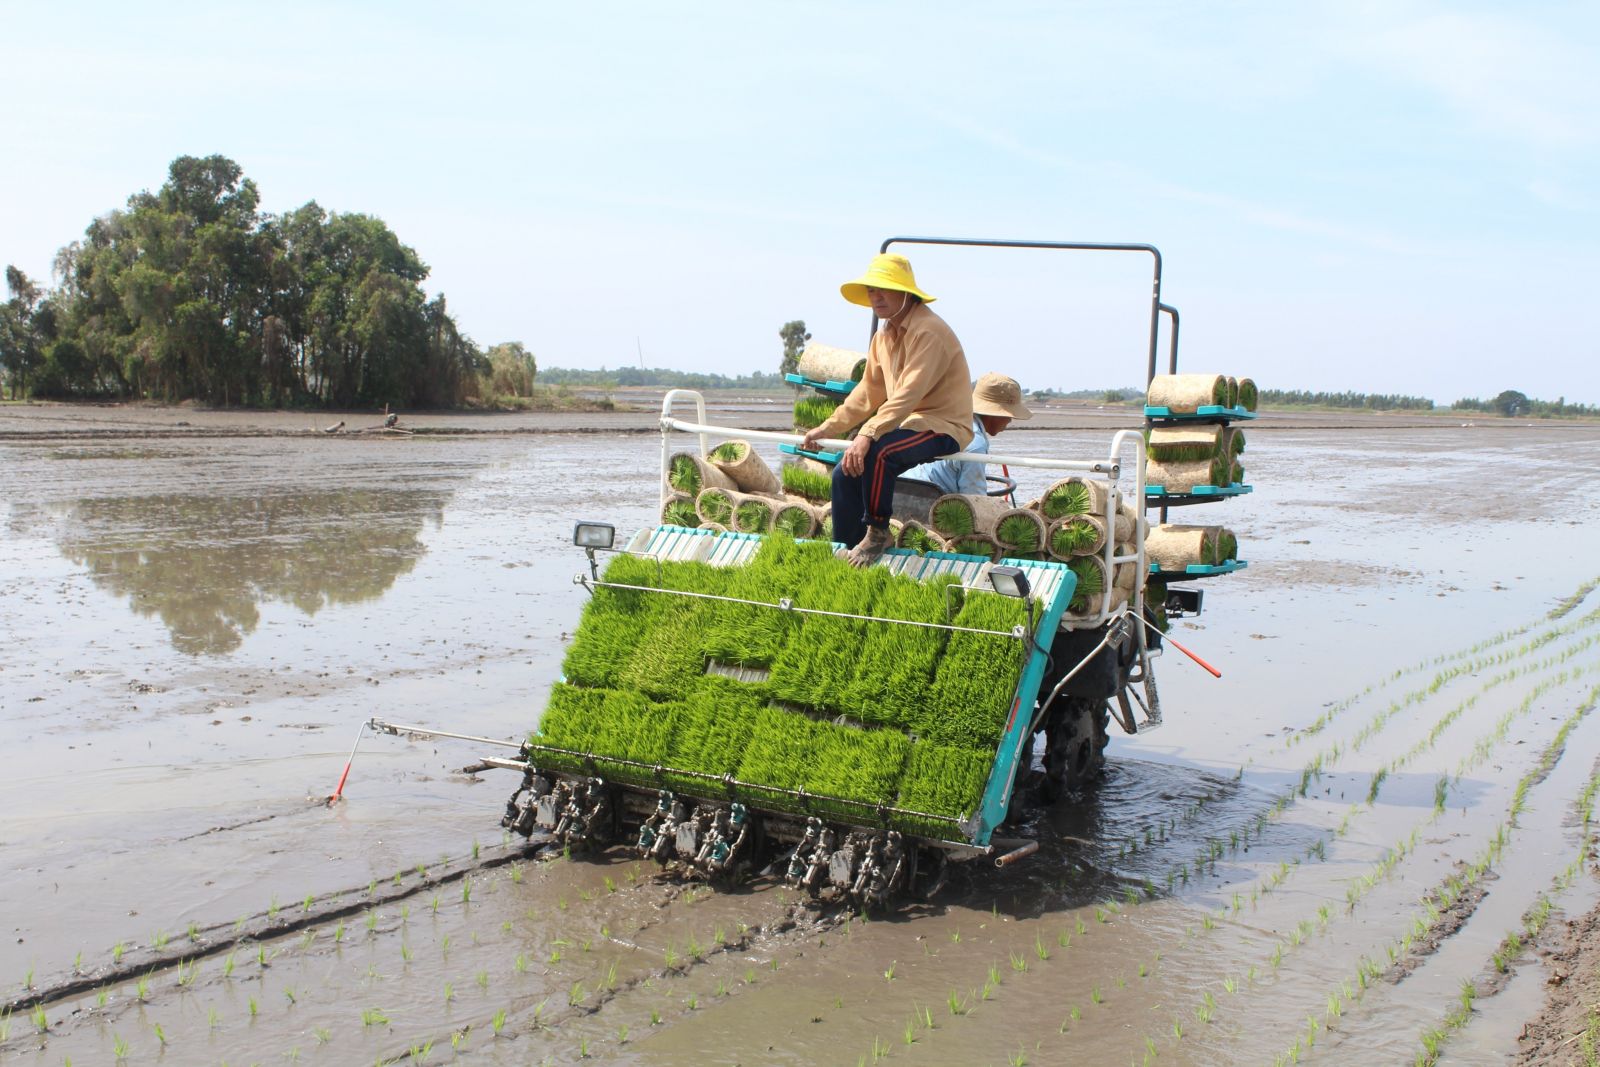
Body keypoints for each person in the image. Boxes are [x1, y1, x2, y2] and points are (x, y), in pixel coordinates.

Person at [800, 253, 973, 567]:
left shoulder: (928, 331)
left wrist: (867, 434)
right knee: (845, 472)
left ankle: (878, 533)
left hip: (944, 426)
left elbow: (908, 394)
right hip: (909, 423)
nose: (875, 296)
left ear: (906, 292)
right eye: (870, 290)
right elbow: (868, 392)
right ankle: (846, 547)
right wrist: (827, 428)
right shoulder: (884, 336)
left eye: (884, 289)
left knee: (879, 453)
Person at [902, 372, 1033, 496]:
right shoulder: (975, 443)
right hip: (929, 499)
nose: (1010, 420)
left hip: (904, 488)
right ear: (994, 414)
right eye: (1007, 415)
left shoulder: (954, 421)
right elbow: (974, 495)